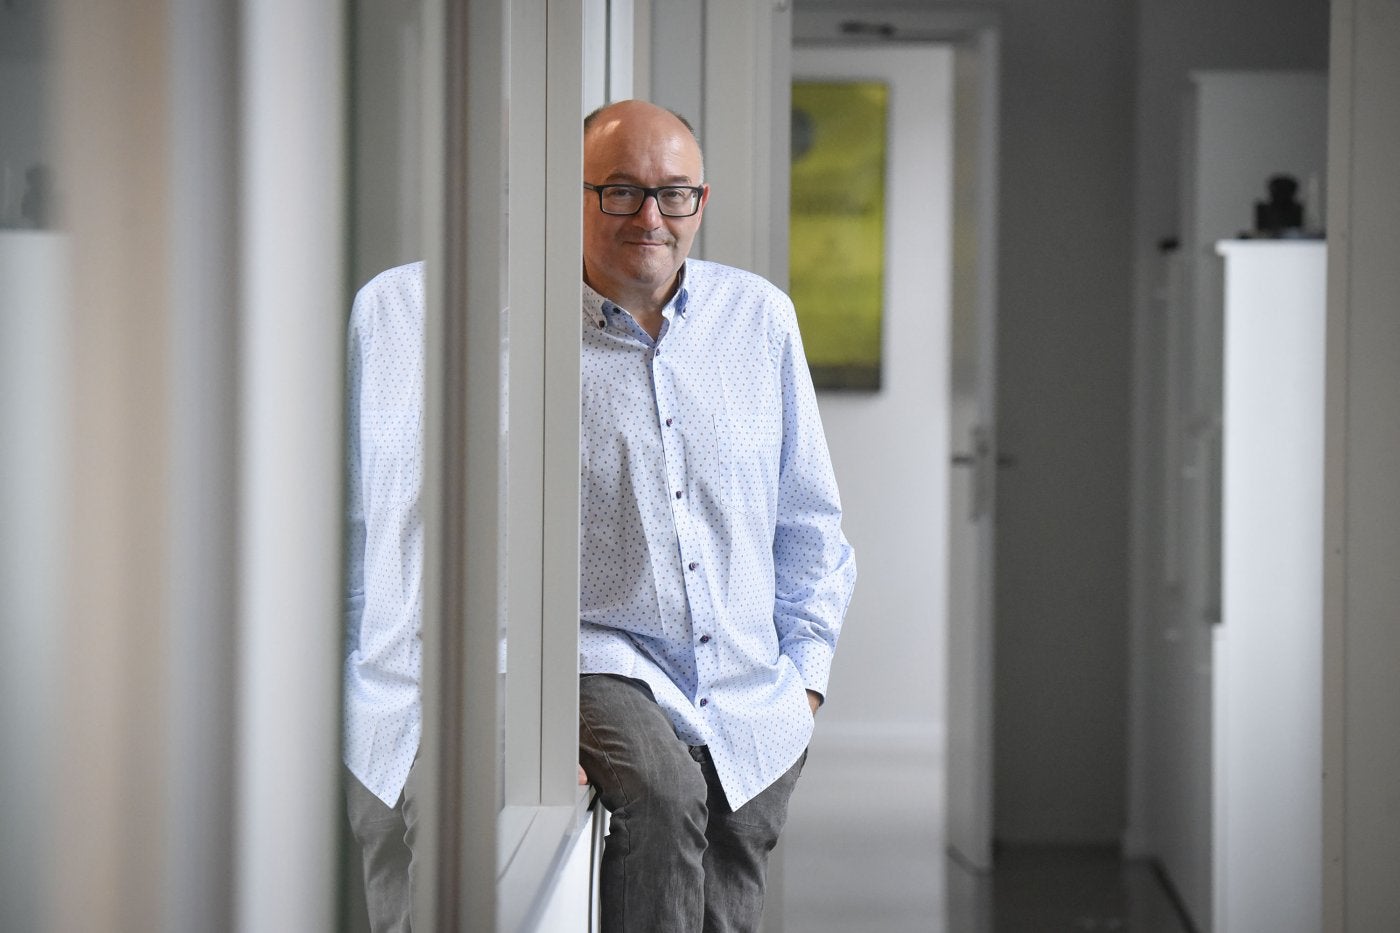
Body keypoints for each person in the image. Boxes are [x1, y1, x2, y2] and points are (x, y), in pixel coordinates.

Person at [576, 99, 857, 932]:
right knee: (662, 798)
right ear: (577, 196)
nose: (651, 217)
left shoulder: (760, 319)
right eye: (621, 191)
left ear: (703, 200)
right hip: (603, 656)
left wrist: (803, 683)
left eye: (675, 193)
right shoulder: (526, 341)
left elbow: (809, 521)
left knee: (724, 913)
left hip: (745, 687)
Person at [342, 260, 427, 933]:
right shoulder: (385, 308)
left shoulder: (581, 321)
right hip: (382, 712)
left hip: (505, 724)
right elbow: (354, 518)